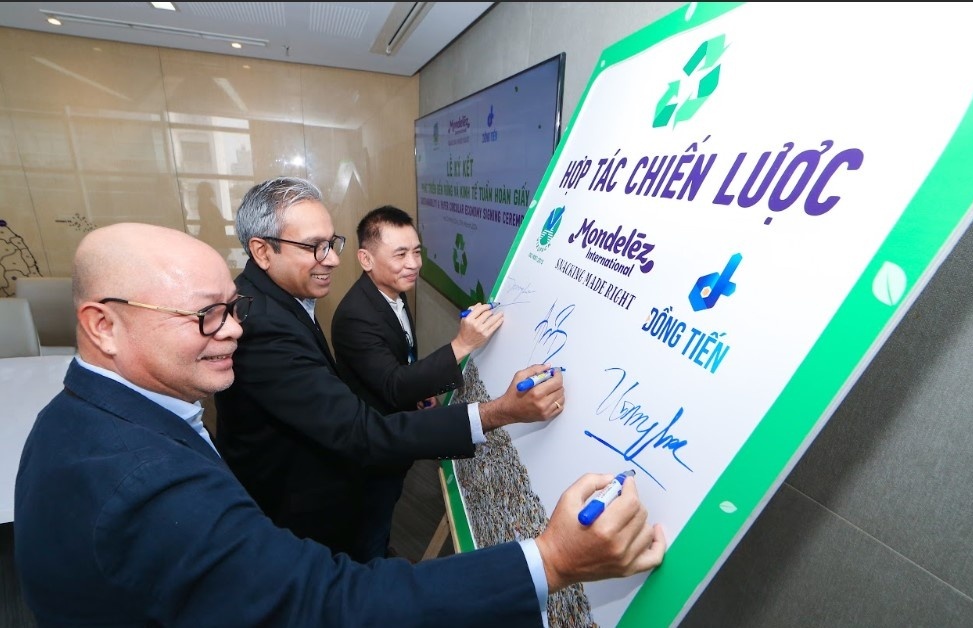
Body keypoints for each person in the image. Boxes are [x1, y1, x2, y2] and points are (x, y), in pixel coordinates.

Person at [14, 221, 667, 627]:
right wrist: (550, 560)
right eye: (205, 315)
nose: (233, 330)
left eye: (233, 309)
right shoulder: (144, 480)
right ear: (103, 325)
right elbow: (324, 605)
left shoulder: (78, 413)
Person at [215, 177, 563, 562]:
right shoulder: (263, 327)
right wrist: (498, 412)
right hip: (298, 515)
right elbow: (360, 430)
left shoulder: (279, 298)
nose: (331, 259)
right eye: (314, 247)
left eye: (331, 243)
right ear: (263, 251)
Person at [331, 204, 503, 559]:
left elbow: (400, 359)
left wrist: (421, 393)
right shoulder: (355, 315)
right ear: (366, 259)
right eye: (400, 254)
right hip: (371, 449)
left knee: (382, 517)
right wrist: (462, 345)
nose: (414, 264)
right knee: (369, 523)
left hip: (394, 438)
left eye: (417, 252)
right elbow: (393, 385)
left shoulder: (391, 293)